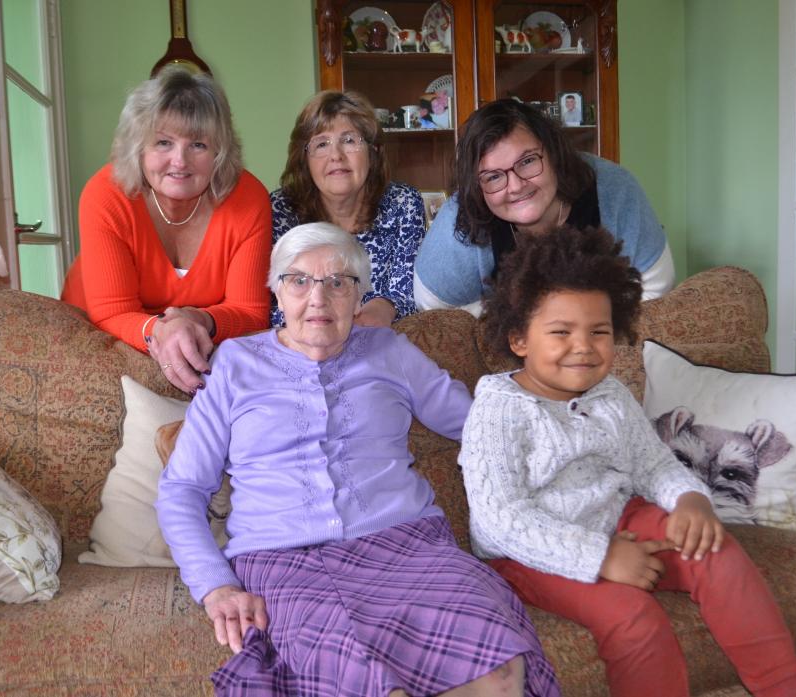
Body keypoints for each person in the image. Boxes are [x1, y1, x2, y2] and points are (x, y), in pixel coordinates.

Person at [156, 222, 561, 697]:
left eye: (338, 283)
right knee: (366, 685)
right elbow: (182, 489)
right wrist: (215, 585)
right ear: (276, 293)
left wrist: (566, 431)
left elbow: (479, 426)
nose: (318, 299)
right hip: (284, 559)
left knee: (498, 670)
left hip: (409, 545)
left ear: (359, 296)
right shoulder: (234, 364)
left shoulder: (391, 351)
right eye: (298, 280)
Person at [458, 225, 796, 697]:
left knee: (716, 552)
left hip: (618, 515)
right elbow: (500, 520)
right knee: (635, 620)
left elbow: (652, 463)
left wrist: (690, 499)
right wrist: (602, 557)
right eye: (561, 332)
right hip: (532, 550)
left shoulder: (612, 394)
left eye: (599, 332)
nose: (583, 346)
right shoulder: (499, 408)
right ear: (519, 338)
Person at [62, 67, 272, 394]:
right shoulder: (105, 194)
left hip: (195, 337)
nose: (180, 161)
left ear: (220, 152)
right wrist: (160, 330)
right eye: (163, 142)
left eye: (198, 145)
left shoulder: (249, 199)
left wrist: (199, 320)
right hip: (99, 335)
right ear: (138, 148)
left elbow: (250, 312)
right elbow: (112, 312)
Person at [413, 98, 675, 316]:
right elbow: (434, 314)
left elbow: (654, 290)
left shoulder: (615, 189)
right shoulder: (460, 218)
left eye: (527, 161)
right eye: (493, 177)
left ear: (554, 153)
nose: (515, 186)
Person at [270, 90, 425, 328]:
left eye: (349, 140)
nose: (336, 156)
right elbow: (273, 305)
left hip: (378, 340)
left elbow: (405, 296)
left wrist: (381, 308)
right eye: (321, 144)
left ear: (373, 152)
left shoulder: (403, 202)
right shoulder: (280, 210)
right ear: (304, 159)